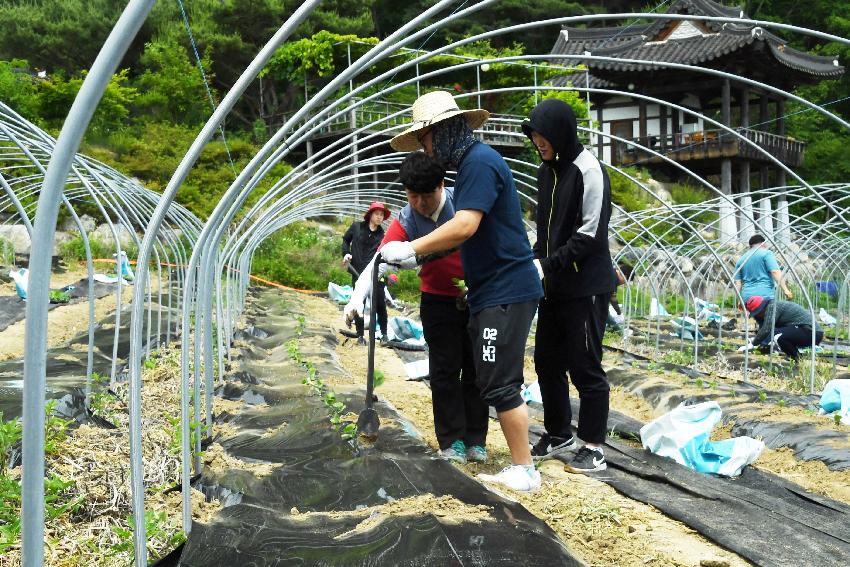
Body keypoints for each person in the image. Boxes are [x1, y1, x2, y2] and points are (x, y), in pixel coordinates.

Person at [381, 90, 543, 491]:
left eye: (427, 139)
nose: (427, 149)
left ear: (447, 130)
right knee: (489, 376)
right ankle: (517, 464)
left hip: (505, 289)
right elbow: (464, 238)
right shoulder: (474, 165)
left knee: (497, 380)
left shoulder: (479, 163)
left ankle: (524, 469)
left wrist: (413, 248)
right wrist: (417, 257)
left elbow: (465, 226)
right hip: (492, 290)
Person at [345, 152, 489, 464]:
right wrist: (358, 294)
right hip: (437, 299)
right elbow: (380, 260)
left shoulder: (462, 204)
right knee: (444, 370)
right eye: (413, 196)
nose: (421, 203)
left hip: (477, 297)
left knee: (477, 369)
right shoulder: (408, 218)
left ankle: (476, 438)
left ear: (441, 185)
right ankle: (452, 441)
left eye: (427, 195)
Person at [522, 98, 616, 473]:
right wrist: (533, 260)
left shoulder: (589, 171)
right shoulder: (548, 171)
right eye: (533, 136)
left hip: (585, 285)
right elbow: (545, 231)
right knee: (546, 361)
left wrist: (546, 263)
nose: (537, 142)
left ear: (560, 132)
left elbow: (590, 234)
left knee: (585, 366)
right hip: (555, 286)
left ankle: (593, 446)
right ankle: (559, 432)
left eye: (542, 135)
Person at [341, 202, 390, 342]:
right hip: (357, 272)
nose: (380, 217)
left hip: (375, 275)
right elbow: (345, 240)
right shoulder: (356, 227)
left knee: (380, 304)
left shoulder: (383, 235)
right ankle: (360, 335)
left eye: (382, 215)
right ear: (370, 215)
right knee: (358, 303)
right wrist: (346, 253)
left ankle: (384, 335)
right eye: (377, 214)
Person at [740, 296, 823, 359]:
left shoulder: (772, 307)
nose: (757, 315)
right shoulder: (770, 307)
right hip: (804, 330)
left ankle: (797, 359)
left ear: (762, 308)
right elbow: (763, 329)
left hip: (811, 332)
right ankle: (795, 358)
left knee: (778, 336)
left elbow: (766, 329)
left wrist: (753, 344)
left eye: (757, 312)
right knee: (777, 334)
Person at [734, 234, 793, 306]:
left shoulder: (741, 260)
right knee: (768, 316)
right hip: (764, 296)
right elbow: (775, 272)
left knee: (754, 317)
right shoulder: (766, 253)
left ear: (750, 246)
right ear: (763, 243)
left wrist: (740, 300)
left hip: (747, 297)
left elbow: (738, 283)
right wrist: (785, 289)